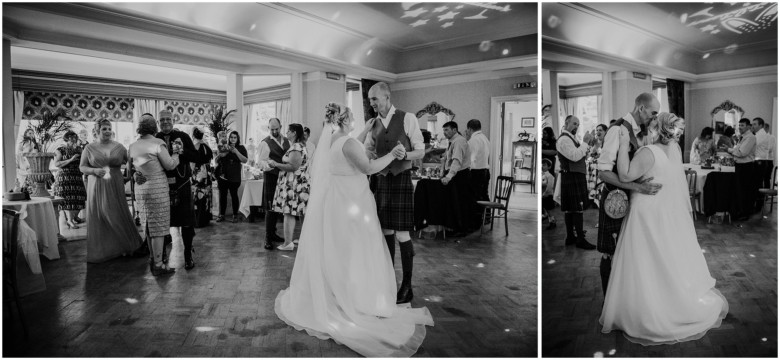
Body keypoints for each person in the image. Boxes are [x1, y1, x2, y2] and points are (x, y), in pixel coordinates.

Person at [274, 103, 433, 357]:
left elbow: (350, 148)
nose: (356, 122)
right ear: (345, 121)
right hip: (352, 202)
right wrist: (392, 154)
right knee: (356, 250)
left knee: (340, 249)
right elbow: (368, 167)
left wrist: (362, 135)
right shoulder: (347, 143)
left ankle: (338, 292)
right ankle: (354, 297)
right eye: (352, 119)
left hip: (338, 202)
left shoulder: (333, 142)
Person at [600, 112, 728, 345]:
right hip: (667, 213)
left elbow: (626, 174)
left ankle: (647, 308)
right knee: (663, 257)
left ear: (655, 128)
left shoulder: (648, 152)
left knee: (644, 259)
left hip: (647, 212)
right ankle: (668, 298)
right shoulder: (675, 150)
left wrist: (622, 143)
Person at [362, 82, 426, 304]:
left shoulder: (408, 118)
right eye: (370, 100)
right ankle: (388, 283)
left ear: (387, 97)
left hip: (401, 179)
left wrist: (404, 155)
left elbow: (420, 150)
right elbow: (368, 150)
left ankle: (407, 287)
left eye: (374, 99)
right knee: (386, 231)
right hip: (380, 180)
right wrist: (370, 155)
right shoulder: (373, 123)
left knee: (402, 234)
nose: (372, 104)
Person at [596, 93, 663, 295]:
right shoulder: (617, 130)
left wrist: (640, 181)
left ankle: (624, 296)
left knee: (628, 251)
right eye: (653, 113)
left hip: (632, 199)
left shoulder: (641, 131)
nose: (654, 117)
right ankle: (608, 299)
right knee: (610, 251)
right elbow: (604, 172)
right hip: (615, 200)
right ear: (641, 108)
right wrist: (638, 187)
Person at [137, 110, 201, 270]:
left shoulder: (184, 136)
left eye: (168, 119)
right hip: (161, 187)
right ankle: (161, 256)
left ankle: (187, 255)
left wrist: (182, 151)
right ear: (158, 122)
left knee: (186, 222)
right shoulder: (154, 139)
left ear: (173, 120)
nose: (165, 122)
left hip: (182, 185)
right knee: (161, 223)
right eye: (162, 120)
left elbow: (196, 157)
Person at [79, 119, 143, 263]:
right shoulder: (89, 148)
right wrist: (94, 170)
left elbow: (131, 162)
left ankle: (125, 245)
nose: (107, 131)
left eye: (109, 128)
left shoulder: (119, 147)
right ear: (97, 131)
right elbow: (82, 167)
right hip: (97, 183)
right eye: (104, 129)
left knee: (116, 212)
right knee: (101, 214)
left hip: (114, 182)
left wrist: (134, 171)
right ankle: (105, 249)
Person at [128, 114, 180, 276]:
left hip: (141, 188)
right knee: (158, 226)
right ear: (154, 127)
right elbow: (170, 165)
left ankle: (153, 259)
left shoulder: (133, 145)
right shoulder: (158, 143)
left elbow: (131, 171)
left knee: (148, 225)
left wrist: (138, 174)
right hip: (156, 187)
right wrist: (177, 153)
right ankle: (158, 264)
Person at [556, 115, 596, 250]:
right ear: (566, 123)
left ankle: (570, 237)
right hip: (572, 177)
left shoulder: (571, 139)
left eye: (578, 124)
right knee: (577, 209)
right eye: (574, 123)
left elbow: (582, 155)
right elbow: (574, 156)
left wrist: (588, 144)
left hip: (574, 176)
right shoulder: (564, 140)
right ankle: (579, 239)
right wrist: (584, 142)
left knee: (571, 209)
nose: (576, 126)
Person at [269, 123, 310, 251]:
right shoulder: (298, 146)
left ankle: (287, 243)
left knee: (288, 213)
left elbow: (293, 166)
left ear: (294, 133)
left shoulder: (296, 147)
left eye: (288, 131)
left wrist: (276, 164)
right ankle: (304, 239)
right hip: (297, 184)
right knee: (300, 212)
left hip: (295, 186)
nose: (286, 133)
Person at [257, 118, 291, 250]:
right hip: (271, 177)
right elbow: (260, 162)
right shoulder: (265, 143)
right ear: (268, 128)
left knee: (279, 207)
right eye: (272, 129)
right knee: (270, 208)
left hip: (285, 178)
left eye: (277, 128)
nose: (275, 131)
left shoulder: (287, 140)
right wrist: (271, 165)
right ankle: (268, 237)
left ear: (281, 126)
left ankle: (274, 233)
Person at [440, 121, 474, 235]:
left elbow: (456, 161)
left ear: (454, 130)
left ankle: (462, 229)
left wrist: (449, 176)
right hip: (459, 175)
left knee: (461, 203)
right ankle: (456, 228)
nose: (444, 132)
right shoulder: (452, 141)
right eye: (443, 130)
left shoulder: (458, 141)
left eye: (447, 130)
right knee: (456, 203)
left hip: (461, 175)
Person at [52, 131, 87, 229]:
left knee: (80, 197)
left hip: (77, 176)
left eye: (75, 138)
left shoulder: (79, 149)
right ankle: (70, 220)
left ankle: (75, 217)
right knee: (68, 199)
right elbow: (57, 164)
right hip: (65, 177)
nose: (74, 140)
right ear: (66, 139)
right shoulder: (60, 150)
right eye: (71, 138)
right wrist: (70, 160)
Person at [215, 130, 248, 223]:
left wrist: (236, 151)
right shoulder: (224, 146)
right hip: (223, 176)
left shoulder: (241, 148)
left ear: (237, 139)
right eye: (231, 137)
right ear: (228, 138)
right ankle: (221, 215)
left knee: (234, 195)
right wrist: (219, 156)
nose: (233, 139)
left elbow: (245, 160)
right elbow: (217, 159)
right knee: (223, 196)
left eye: (235, 137)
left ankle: (235, 215)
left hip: (234, 176)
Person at [727, 118, 757, 221]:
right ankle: (739, 211)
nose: (740, 127)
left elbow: (741, 153)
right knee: (739, 190)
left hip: (746, 167)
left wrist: (729, 150)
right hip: (740, 166)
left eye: (742, 125)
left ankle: (744, 213)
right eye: (739, 125)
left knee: (744, 191)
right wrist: (734, 150)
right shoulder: (742, 137)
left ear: (749, 126)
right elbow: (737, 150)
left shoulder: (750, 137)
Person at [465, 119, 490, 227]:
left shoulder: (473, 140)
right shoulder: (485, 138)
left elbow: (471, 158)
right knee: (484, 195)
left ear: (470, 129)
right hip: (485, 170)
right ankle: (487, 218)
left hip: (476, 172)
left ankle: (476, 221)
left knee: (475, 197)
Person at [191, 127, 214, 228]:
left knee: (198, 195)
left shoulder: (195, 146)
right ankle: (205, 219)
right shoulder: (206, 145)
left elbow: (192, 162)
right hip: (207, 172)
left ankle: (198, 220)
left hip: (199, 172)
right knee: (206, 195)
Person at [752, 117, 774, 201]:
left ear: (761, 125)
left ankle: (759, 204)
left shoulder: (761, 135)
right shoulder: (758, 134)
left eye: (754, 124)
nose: (752, 126)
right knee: (758, 183)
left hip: (762, 161)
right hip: (760, 161)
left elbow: (753, 146)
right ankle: (758, 202)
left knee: (760, 183)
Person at [541, 159, 556, 230]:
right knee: (545, 209)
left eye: (544, 165)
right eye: (542, 165)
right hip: (543, 195)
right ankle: (545, 217)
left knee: (550, 210)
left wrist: (545, 194)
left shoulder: (550, 176)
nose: (542, 166)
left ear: (549, 167)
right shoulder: (542, 174)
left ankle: (552, 222)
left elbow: (549, 187)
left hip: (548, 195)